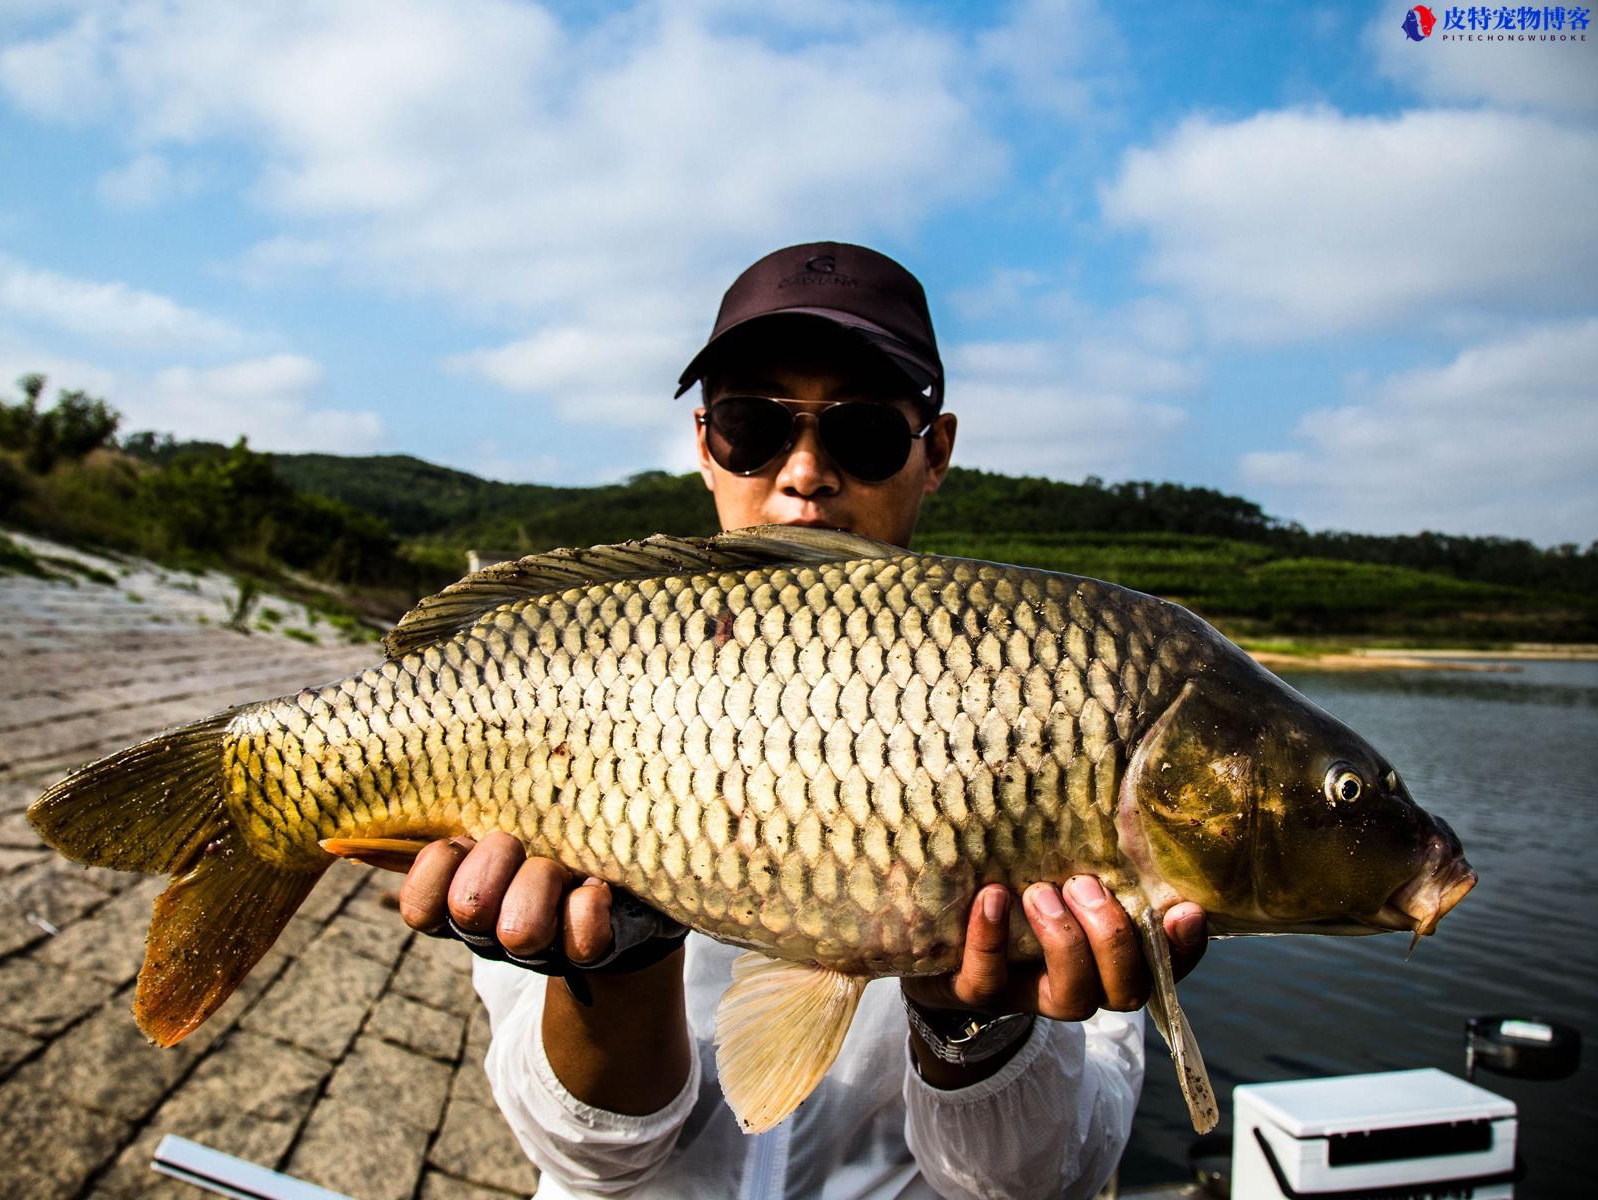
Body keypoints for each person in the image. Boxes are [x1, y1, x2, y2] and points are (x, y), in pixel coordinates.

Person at [391, 243, 1209, 1198]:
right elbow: (587, 1161)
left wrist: (973, 1024)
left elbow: (1037, 1187)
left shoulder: (1056, 692)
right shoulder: (578, 677)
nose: (806, 473)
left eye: (862, 433)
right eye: (753, 428)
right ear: (705, 445)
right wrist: (618, 967)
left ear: (933, 452)